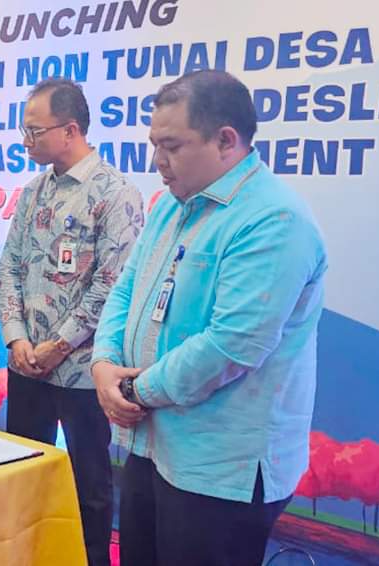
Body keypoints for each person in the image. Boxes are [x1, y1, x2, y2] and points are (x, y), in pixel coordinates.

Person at [91, 70, 328, 566]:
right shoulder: (170, 206)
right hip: (152, 444)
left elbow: (231, 345)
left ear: (225, 141)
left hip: (220, 469)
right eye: (155, 145)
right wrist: (104, 364)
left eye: (172, 146)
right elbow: (127, 288)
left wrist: (134, 391)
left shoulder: (274, 219)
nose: (158, 161)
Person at [0, 77, 143, 566]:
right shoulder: (33, 192)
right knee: (23, 474)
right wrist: (16, 339)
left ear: (71, 130)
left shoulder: (116, 194)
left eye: (34, 131)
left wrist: (58, 346)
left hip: (83, 372)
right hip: (26, 366)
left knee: (89, 485)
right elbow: (9, 268)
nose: (25, 141)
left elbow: (112, 287)